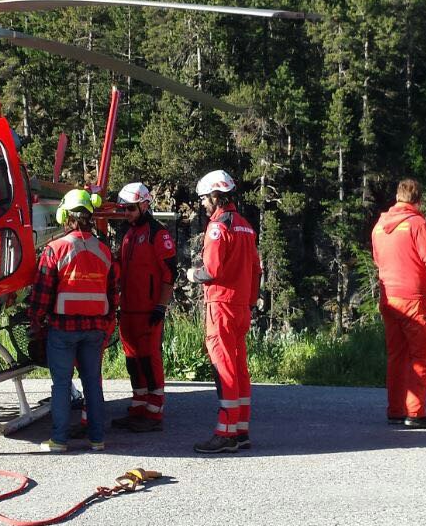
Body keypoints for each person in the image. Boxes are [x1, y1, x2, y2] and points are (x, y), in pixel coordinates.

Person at [28, 189, 119, 453]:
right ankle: (97, 439)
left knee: (62, 384)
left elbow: (43, 292)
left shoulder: (55, 249)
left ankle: (59, 439)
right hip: (95, 329)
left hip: (63, 328)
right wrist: (107, 321)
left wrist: (34, 320)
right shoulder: (104, 250)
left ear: (64, 216)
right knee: (92, 382)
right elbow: (113, 293)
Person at [186, 169, 261, 454]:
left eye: (205, 198)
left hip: (221, 304)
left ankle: (226, 432)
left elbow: (212, 270)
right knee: (239, 366)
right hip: (241, 305)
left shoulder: (218, 227)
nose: (203, 204)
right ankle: (240, 430)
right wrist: (250, 302)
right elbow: (256, 270)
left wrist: (193, 274)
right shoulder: (245, 226)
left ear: (216, 197)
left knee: (224, 367)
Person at [372, 178, 426, 428]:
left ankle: (396, 408)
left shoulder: (380, 226)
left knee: (397, 355)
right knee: (424, 354)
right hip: (413, 299)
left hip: (389, 297)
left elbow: (377, 260)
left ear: (397, 197)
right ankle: (415, 412)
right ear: (419, 200)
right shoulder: (417, 224)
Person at [114, 181, 177, 433]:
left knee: (150, 360)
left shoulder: (157, 233)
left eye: (129, 208)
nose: (126, 213)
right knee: (133, 361)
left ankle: (154, 413)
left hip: (148, 310)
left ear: (143, 205)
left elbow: (170, 273)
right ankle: (138, 408)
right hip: (128, 309)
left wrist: (160, 306)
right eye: (123, 209)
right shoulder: (129, 233)